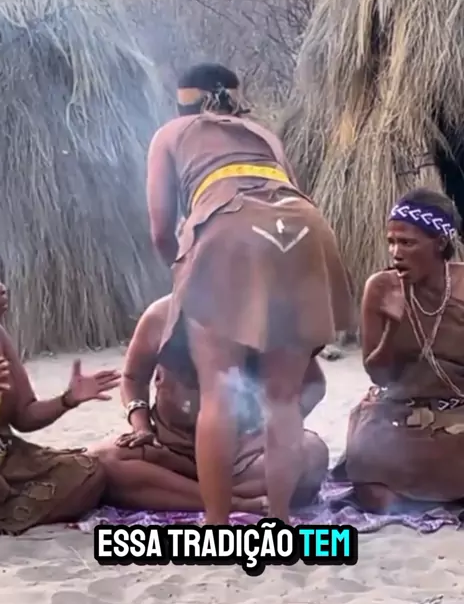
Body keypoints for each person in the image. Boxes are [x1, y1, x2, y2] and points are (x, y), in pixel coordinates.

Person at [145, 63, 354, 524]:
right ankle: (278, 522)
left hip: (228, 226)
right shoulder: (264, 135)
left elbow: (160, 230)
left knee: (219, 389)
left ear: (183, 101)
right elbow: (285, 190)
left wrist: (185, 276)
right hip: (302, 225)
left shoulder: (170, 134)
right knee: (283, 397)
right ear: (236, 99)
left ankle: (218, 526)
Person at [93, 295, 329, 513]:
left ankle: (194, 494)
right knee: (104, 459)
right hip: (170, 449)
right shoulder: (161, 315)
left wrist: (276, 428)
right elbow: (133, 378)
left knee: (311, 454)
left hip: (244, 456)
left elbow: (313, 383)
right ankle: (233, 502)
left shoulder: (271, 319)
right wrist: (141, 427)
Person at [334, 187, 464, 513]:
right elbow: (378, 375)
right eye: (391, 242)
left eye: (407, 243)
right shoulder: (380, 288)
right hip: (397, 413)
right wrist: (394, 326)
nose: (396, 252)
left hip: (457, 411)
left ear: (440, 243)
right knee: (374, 490)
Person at [0, 243, 124, 534]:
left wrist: (68, 399)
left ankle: (2, 511)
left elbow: (25, 415)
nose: (2, 289)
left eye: (0, 279)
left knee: (88, 472)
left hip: (4, 460)